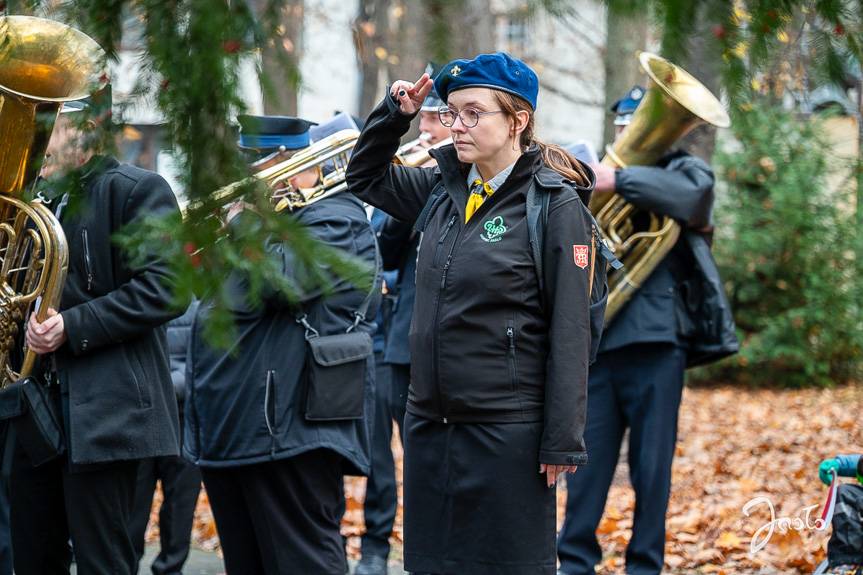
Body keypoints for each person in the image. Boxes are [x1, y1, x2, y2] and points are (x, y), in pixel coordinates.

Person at [347, 52, 596, 575]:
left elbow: (571, 328)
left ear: (518, 120)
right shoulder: (442, 188)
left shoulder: (554, 204)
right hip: (431, 427)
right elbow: (365, 177)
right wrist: (396, 115)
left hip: (508, 432)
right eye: (452, 112)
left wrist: (561, 441)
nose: (456, 126)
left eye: (473, 113)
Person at [183, 115, 381, 575]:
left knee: (301, 562)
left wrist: (243, 225)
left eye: (259, 164)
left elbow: (281, 282)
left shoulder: (339, 219)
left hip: (291, 431)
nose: (245, 178)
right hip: (233, 430)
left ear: (296, 165)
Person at [557, 86, 738, 575]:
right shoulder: (587, 174)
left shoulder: (683, 170)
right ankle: (573, 562)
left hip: (658, 342)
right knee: (585, 467)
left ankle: (645, 565)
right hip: (598, 345)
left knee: (652, 467)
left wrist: (617, 179)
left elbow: (694, 199)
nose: (630, 131)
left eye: (639, 121)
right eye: (624, 122)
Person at [14, 96, 183, 574]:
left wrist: (73, 325)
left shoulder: (136, 189)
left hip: (109, 417)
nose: (36, 142)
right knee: (31, 559)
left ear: (86, 131)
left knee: (103, 564)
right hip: (36, 416)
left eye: (48, 128)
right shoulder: (36, 200)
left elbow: (168, 288)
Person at [355, 79, 450, 575]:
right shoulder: (420, 176)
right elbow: (385, 254)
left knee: (428, 459)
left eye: (438, 117)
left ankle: (426, 548)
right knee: (377, 452)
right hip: (397, 339)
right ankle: (375, 545)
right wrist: (408, 198)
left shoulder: (464, 178)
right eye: (428, 118)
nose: (431, 128)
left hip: (440, 344)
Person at [129, 301, 202, 575]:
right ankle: (126, 563)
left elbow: (202, 362)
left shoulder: (196, 305)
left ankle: (170, 568)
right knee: (133, 504)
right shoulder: (144, 301)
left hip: (183, 416)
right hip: (143, 416)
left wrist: (163, 389)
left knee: (180, 504)